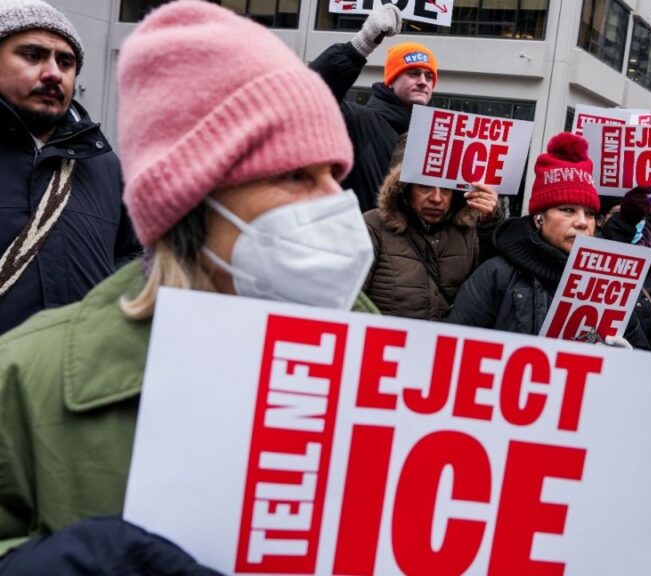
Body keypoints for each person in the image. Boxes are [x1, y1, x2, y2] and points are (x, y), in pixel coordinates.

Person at [0, 1, 374, 570]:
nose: (335, 205)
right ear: (194, 202)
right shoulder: (23, 383)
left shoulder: (396, 369)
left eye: (335, 175)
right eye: (295, 174)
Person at [0, 0, 140, 335]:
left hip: (77, 377)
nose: (53, 73)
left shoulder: (104, 164)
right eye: (32, 55)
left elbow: (135, 257)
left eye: (66, 62)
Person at [447, 132, 647, 348]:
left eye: (590, 214)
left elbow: (643, 361)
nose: (582, 222)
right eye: (568, 210)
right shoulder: (497, 275)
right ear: (539, 218)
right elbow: (454, 349)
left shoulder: (611, 283)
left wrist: (624, 358)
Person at [310, 4, 437, 212]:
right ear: (390, 81)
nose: (423, 81)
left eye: (429, 76)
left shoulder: (437, 136)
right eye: (413, 73)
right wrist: (361, 44)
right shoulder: (357, 121)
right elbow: (313, 95)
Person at [363, 155, 501, 321]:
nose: (436, 198)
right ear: (404, 188)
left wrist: (489, 225)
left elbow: (488, 296)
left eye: (445, 189)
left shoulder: (470, 232)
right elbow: (349, 300)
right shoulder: (373, 227)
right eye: (424, 186)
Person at [600, 187, 651, 347]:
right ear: (601, 220)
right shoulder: (588, 259)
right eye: (618, 215)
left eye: (636, 214)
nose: (631, 222)